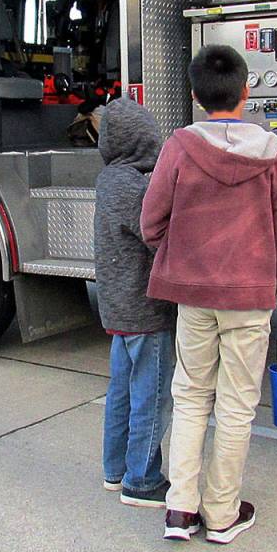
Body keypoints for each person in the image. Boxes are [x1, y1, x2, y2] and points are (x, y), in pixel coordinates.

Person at [141, 44, 277, 544]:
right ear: (246, 90)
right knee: (236, 406)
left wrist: (179, 255)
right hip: (250, 298)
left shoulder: (179, 146)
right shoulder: (273, 151)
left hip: (195, 295)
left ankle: (179, 510)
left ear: (194, 95)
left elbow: (151, 220)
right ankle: (222, 513)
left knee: (190, 397)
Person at [94, 97, 177, 508]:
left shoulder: (110, 178)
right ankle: (142, 479)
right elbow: (160, 236)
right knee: (152, 394)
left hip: (118, 308)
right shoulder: (137, 187)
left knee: (122, 391)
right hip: (145, 310)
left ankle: (115, 470)